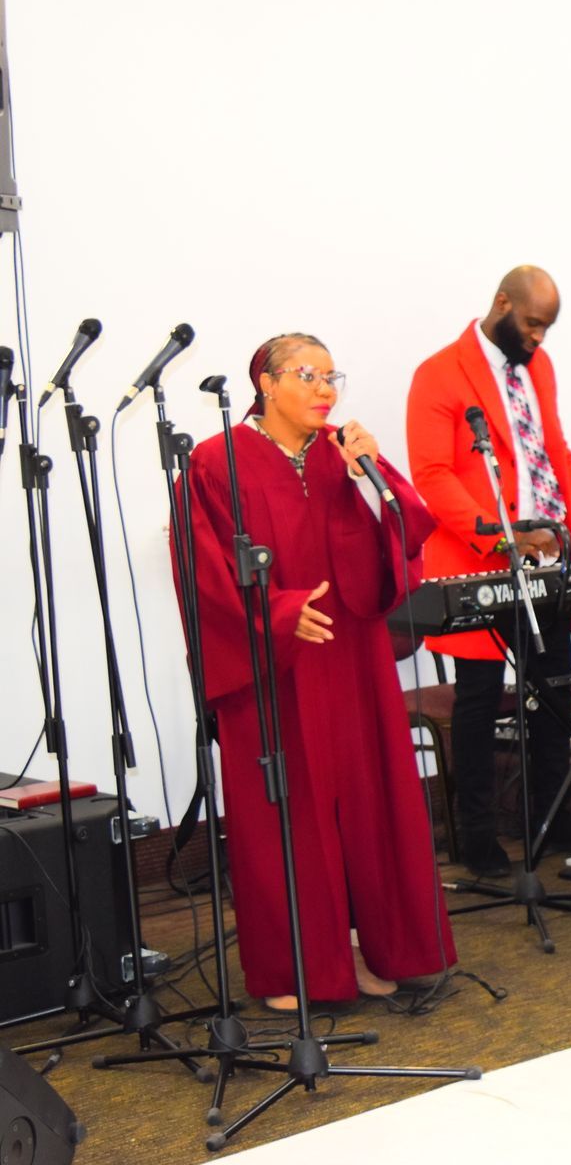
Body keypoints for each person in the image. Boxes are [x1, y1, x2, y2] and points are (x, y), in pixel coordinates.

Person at [182, 334, 453, 1010]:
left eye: (332, 377)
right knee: (291, 812)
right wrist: (276, 614)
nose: (325, 389)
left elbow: (408, 529)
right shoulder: (216, 461)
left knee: (367, 802)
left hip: (351, 651)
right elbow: (205, 568)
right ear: (266, 383)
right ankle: (294, 968)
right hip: (274, 661)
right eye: (308, 375)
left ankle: (369, 950)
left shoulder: (343, 452)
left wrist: (372, 478)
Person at [406, 266, 571, 877]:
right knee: (479, 700)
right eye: (533, 323)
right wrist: (503, 536)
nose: (539, 337)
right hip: (479, 564)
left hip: (548, 560)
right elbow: (432, 475)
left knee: (553, 691)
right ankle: (478, 835)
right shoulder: (438, 373)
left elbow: (555, 455)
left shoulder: (539, 367)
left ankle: (553, 813)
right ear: (502, 303)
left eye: (547, 328)